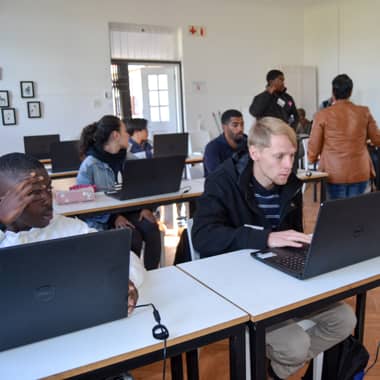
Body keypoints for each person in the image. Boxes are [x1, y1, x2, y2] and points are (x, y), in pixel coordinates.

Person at [192, 117, 356, 379]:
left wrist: (309, 245)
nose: (289, 165)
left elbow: (291, 235)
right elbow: (203, 236)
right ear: (254, 152)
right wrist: (266, 238)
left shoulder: (289, 183)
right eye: (279, 156)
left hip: (279, 277)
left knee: (346, 321)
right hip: (238, 285)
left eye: (292, 155)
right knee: (295, 346)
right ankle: (279, 364)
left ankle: (276, 370)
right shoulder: (222, 181)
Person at [0, 153, 144, 315]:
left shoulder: (67, 228)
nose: (48, 199)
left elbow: (127, 258)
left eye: (48, 188)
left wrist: (123, 279)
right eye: (32, 194)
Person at [77, 115, 161, 270]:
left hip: (131, 210)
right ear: (115, 135)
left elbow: (147, 186)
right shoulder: (89, 165)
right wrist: (113, 217)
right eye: (124, 131)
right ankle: (130, 279)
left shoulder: (129, 158)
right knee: (132, 237)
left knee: (151, 229)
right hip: (104, 218)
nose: (128, 134)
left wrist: (147, 207)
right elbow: (82, 205)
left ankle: (152, 273)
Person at [308, 74, 380, 200]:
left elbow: (314, 145)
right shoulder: (364, 112)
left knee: (336, 213)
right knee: (356, 212)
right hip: (360, 171)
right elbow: (377, 139)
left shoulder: (322, 115)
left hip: (332, 172)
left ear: (333, 92)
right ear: (350, 92)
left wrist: (312, 159)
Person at [203, 109, 246, 177]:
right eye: (235, 125)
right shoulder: (212, 148)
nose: (240, 129)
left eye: (242, 124)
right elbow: (217, 177)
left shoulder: (248, 142)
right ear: (224, 127)